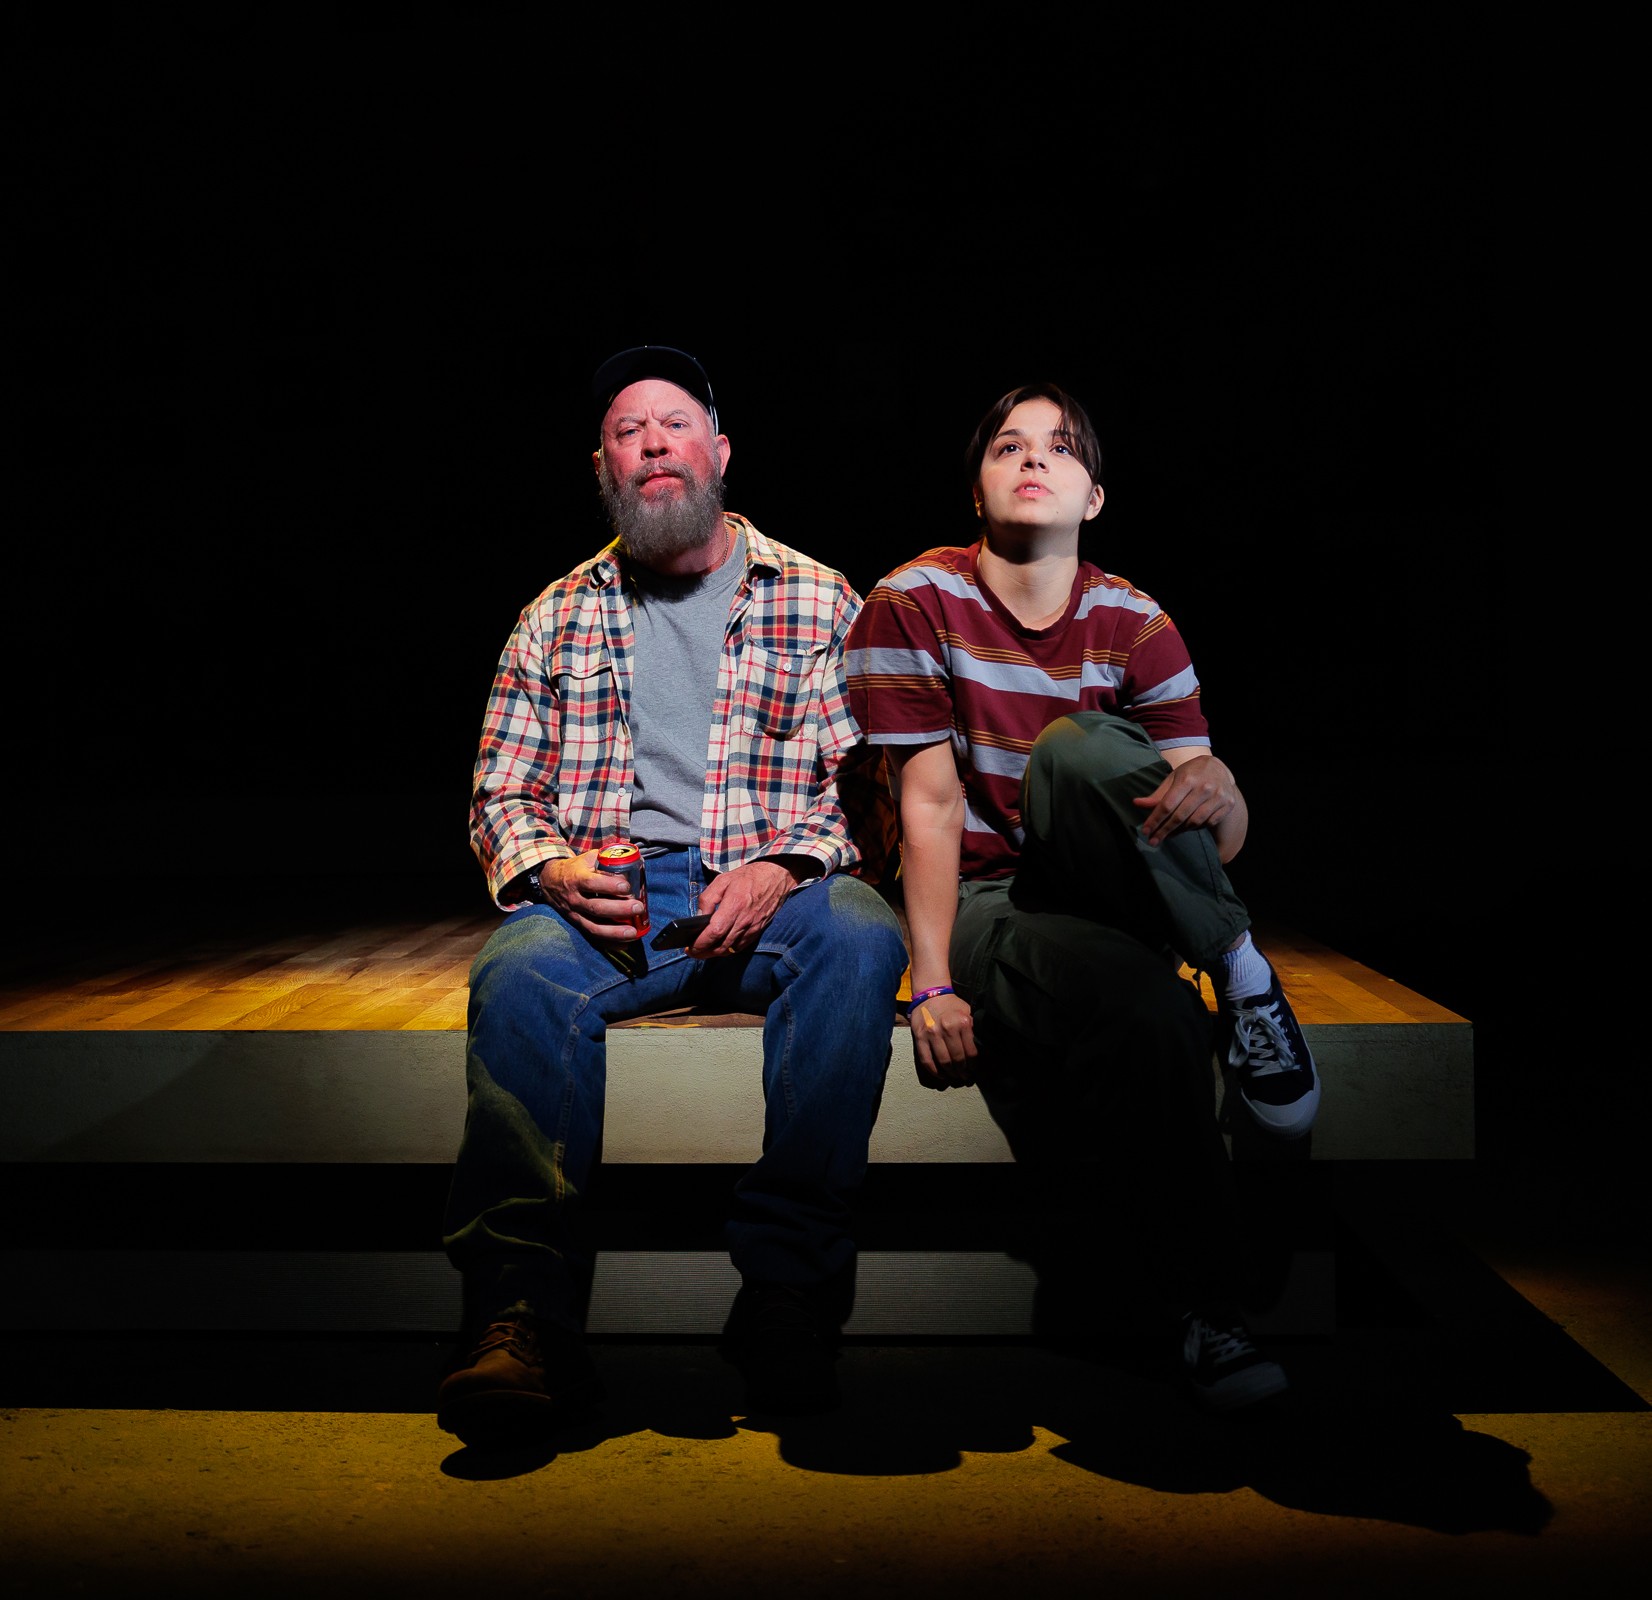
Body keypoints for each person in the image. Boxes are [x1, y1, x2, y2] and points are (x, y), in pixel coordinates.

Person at [438, 345, 908, 1446]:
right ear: (603, 466)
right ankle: (520, 1315)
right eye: (626, 431)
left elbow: (870, 795)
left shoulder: (816, 596)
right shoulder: (555, 614)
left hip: (772, 874)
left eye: (674, 424)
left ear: (719, 452)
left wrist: (787, 864)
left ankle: (785, 1293)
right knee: (511, 971)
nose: (652, 442)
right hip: (620, 888)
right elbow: (501, 789)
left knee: (858, 934)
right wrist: (549, 868)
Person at [844, 379, 1319, 1412]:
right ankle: (1210, 1312)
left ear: (1091, 496)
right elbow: (925, 806)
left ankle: (1241, 977)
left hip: (1111, 873)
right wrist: (929, 984)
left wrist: (1223, 787)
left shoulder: (1133, 618)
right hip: (982, 897)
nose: (1032, 459)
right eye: (1007, 445)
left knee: (1081, 748)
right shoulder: (911, 601)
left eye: (1058, 448)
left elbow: (1210, 832)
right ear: (975, 489)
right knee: (1146, 1008)